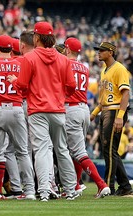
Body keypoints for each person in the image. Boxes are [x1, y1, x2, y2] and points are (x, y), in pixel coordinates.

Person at [7, 21, 78, 201]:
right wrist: (60, 96)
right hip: (58, 109)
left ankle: (45, 190)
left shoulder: (29, 58)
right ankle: (70, 190)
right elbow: (72, 86)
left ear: (36, 37)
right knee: (62, 149)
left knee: (41, 151)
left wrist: (14, 80)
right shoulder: (63, 59)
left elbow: (22, 86)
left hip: (37, 110)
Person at [0, 34, 36, 200]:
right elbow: (29, 88)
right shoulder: (21, 63)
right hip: (16, 108)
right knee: (22, 152)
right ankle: (29, 190)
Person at [64, 37, 110, 198]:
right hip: (84, 109)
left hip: (71, 107)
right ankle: (76, 185)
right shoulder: (84, 67)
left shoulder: (64, 63)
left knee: (78, 152)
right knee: (76, 151)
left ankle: (101, 184)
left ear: (68, 49)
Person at [91, 42, 133, 196]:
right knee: (110, 150)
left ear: (111, 52)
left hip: (116, 111)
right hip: (106, 111)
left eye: (101, 50)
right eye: (98, 50)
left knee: (109, 150)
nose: (98, 53)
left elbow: (125, 94)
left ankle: (107, 187)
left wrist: (120, 117)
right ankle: (125, 186)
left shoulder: (120, 68)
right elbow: (103, 99)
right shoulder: (104, 71)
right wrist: (94, 113)